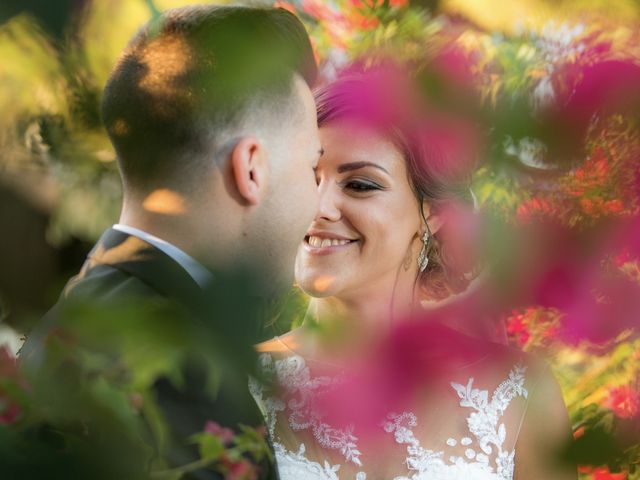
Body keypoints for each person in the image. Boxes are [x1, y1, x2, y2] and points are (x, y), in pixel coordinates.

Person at [20, 5, 322, 480]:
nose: (319, 202)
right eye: (313, 167)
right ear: (251, 169)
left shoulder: (86, 311)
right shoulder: (178, 376)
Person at [252, 71, 577, 479]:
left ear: (433, 216)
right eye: (307, 178)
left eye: (360, 184)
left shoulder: (519, 391)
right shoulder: (232, 384)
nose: (319, 207)